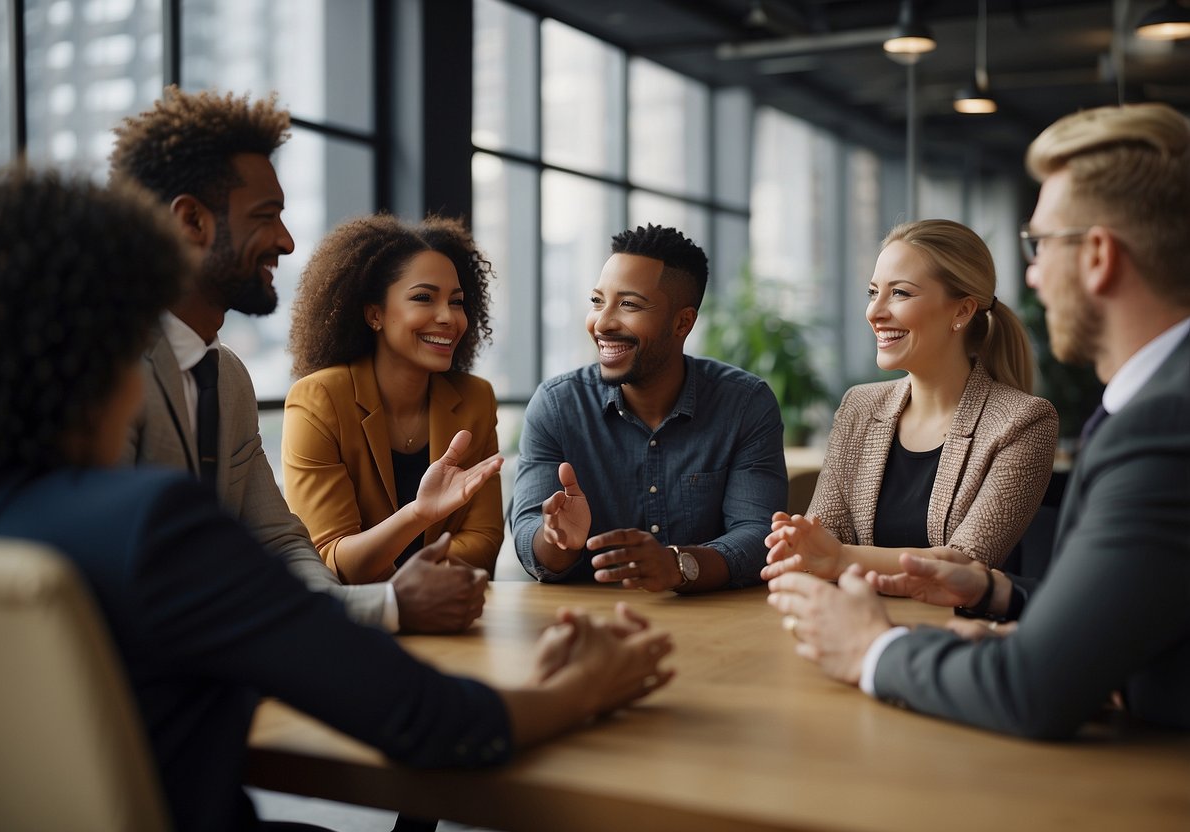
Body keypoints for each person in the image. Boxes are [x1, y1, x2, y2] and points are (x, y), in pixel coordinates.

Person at [0, 169, 675, 832]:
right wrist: (584, 686)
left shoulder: (4, 526)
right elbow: (429, 720)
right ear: (107, 361)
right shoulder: (153, 526)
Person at [766, 103, 1190, 739]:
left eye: (1041, 244)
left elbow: (1033, 690)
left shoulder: (1162, 426)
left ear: (1099, 255)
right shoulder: (1141, 409)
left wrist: (870, 650)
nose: (1032, 274)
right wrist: (994, 591)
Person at [110, 87, 486, 634]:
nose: (286, 243)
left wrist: (343, 618)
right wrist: (383, 607)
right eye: (266, 217)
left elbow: (282, 540)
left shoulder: (228, 377)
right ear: (191, 221)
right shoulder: (107, 370)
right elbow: (129, 574)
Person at [762, 220, 1058, 580]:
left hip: (959, 631)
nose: (874, 312)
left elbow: (967, 562)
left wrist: (839, 558)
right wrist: (801, 544)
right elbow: (823, 537)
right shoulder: (859, 408)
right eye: (873, 292)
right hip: (852, 621)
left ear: (962, 312)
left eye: (900, 293)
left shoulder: (1023, 421)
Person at [510, 223, 789, 592]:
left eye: (628, 304)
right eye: (597, 301)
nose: (602, 323)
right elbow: (530, 530)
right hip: (587, 627)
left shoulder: (744, 403)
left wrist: (677, 565)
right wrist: (558, 541)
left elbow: (758, 534)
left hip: (714, 625)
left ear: (682, 322)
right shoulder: (558, 405)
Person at [282, 214, 503, 585]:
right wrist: (418, 516)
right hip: (358, 626)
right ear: (374, 314)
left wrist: (422, 584)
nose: (448, 316)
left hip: (452, 618)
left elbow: (483, 542)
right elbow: (332, 559)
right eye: (423, 298)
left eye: (457, 301)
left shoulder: (475, 399)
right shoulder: (319, 400)